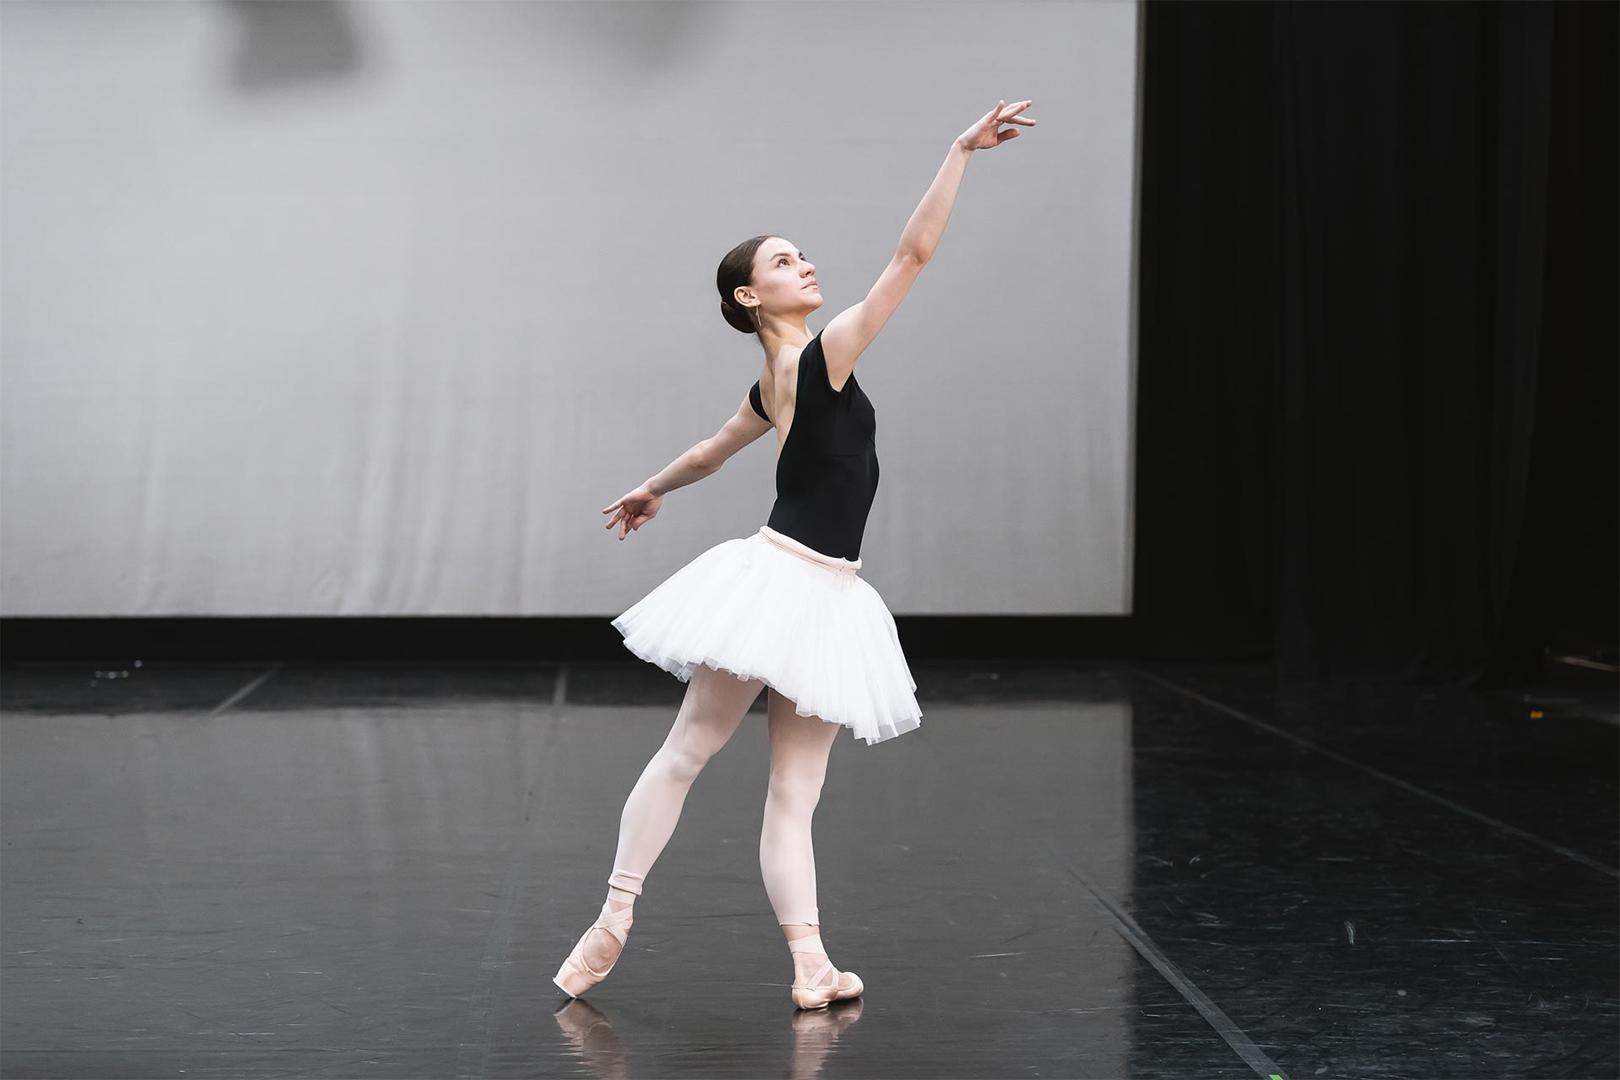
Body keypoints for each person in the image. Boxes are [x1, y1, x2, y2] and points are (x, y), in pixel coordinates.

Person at [556, 99, 1038, 1010]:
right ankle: (614, 915)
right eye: (784, 260)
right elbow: (912, 257)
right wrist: (959, 151)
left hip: (824, 595)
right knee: (714, 759)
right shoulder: (824, 358)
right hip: (787, 581)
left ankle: (808, 964)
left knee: (753, 777)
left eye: (802, 253)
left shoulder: (775, 381)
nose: (806, 263)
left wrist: (655, 486)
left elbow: (709, 450)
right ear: (750, 297)